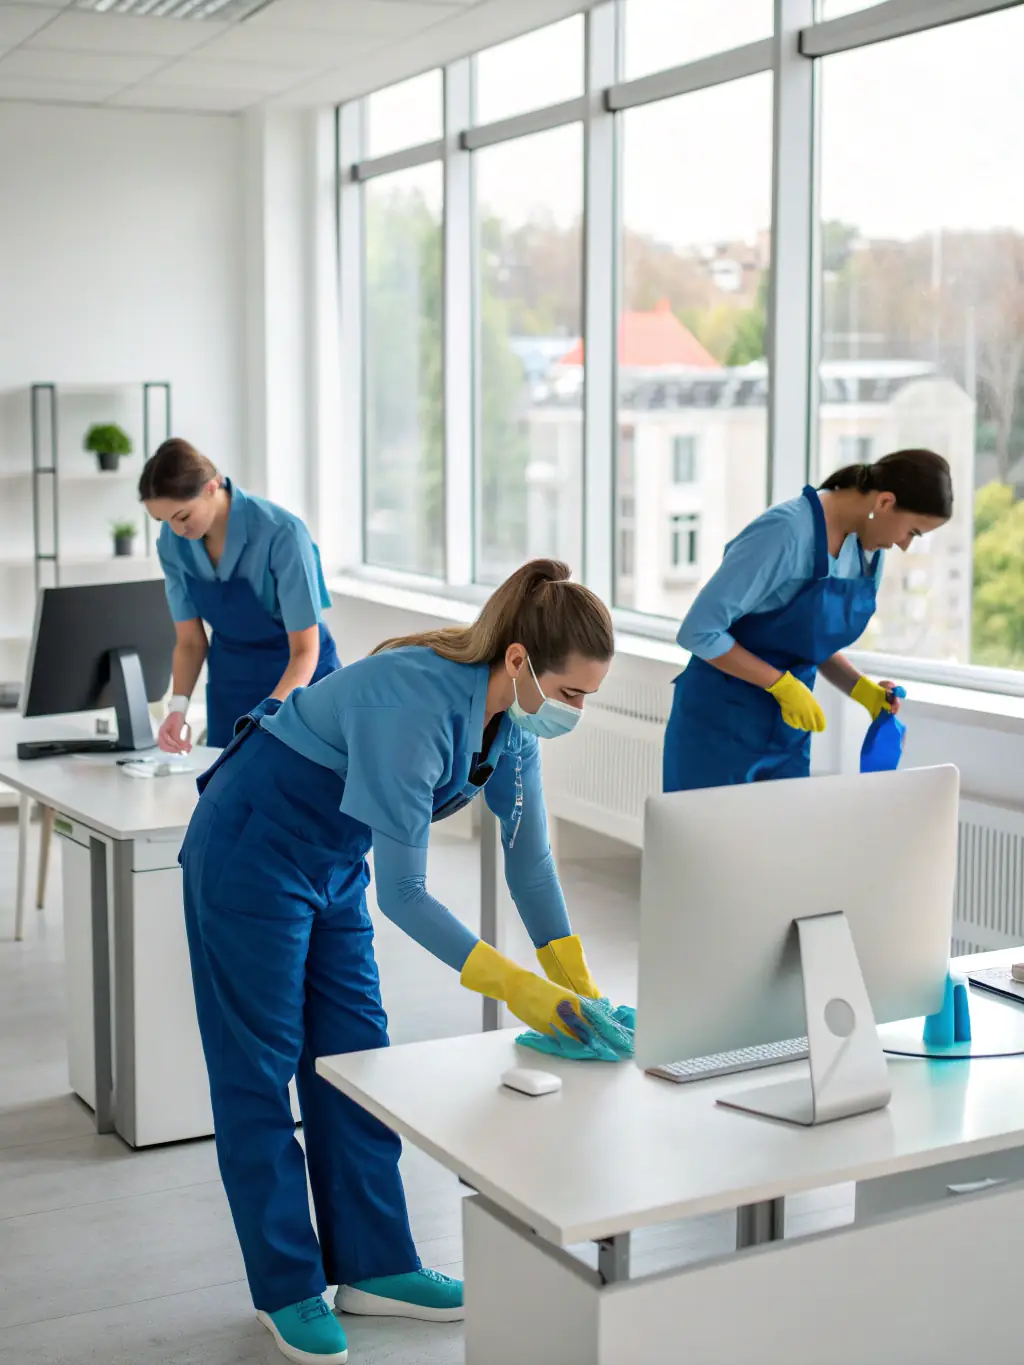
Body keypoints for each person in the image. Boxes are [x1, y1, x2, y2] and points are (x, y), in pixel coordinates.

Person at [179, 559, 625, 1364]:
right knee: (260, 1066)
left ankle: (376, 1265)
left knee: (354, 1057)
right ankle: (287, 1286)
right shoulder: (414, 700)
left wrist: (578, 989)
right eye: (573, 694)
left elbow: (530, 864)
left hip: (334, 855)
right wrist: (515, 986)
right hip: (254, 842)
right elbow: (408, 896)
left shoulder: (513, 721)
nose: (578, 712)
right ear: (521, 660)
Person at [663, 449, 953, 793]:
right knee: (711, 844)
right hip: (720, 727)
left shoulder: (867, 553)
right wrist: (780, 684)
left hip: (786, 735)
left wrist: (862, 690)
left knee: (782, 845)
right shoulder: (786, 531)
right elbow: (699, 630)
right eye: (913, 532)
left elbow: (806, 639)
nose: (904, 545)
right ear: (886, 503)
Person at [139, 438, 340, 750]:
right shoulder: (171, 543)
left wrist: (269, 712)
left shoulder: (282, 533)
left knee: (301, 786)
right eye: (163, 521)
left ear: (211, 486)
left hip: (299, 681)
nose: (177, 530)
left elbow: (304, 650)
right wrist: (177, 710)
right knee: (227, 788)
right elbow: (191, 642)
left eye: (182, 517)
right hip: (231, 680)